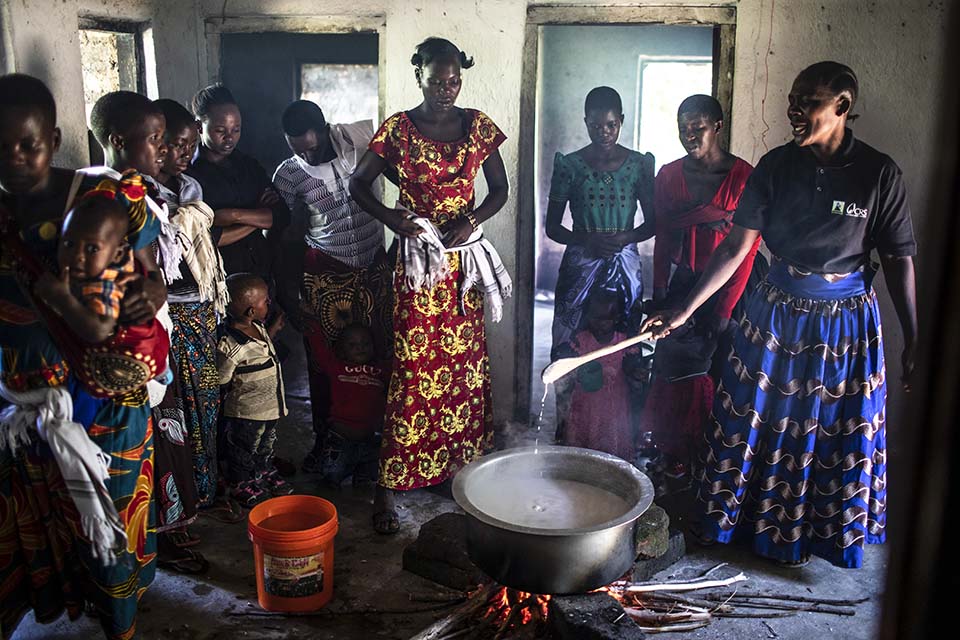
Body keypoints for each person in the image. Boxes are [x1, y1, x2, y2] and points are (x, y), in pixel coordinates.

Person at [642, 62, 918, 569]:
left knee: (833, 430)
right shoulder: (775, 167)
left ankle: (817, 540)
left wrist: (916, 340)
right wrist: (683, 310)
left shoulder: (879, 174)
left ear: (843, 104)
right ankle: (741, 528)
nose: (794, 109)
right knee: (750, 420)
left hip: (845, 328)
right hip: (775, 315)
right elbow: (734, 248)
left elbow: (900, 259)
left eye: (808, 99)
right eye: (792, 98)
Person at [0, 74, 163, 639]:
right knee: (42, 527)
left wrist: (155, 291)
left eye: (29, 144)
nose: (14, 159)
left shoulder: (102, 198)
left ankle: (122, 627)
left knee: (109, 527)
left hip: (107, 398)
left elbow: (153, 272)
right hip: (24, 410)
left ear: (55, 136)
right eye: (0, 147)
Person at [351, 37, 510, 534]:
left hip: (462, 266)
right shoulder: (398, 129)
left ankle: (447, 470)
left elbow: (499, 190)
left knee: (463, 369)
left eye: (454, 80)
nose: (447, 89)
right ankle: (390, 484)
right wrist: (394, 221)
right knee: (414, 369)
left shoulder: (478, 125)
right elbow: (358, 186)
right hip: (419, 266)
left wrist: (473, 219)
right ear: (418, 73)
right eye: (437, 80)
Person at [641, 95, 760, 477]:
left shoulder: (744, 178)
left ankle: (720, 461)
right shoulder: (669, 177)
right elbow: (662, 238)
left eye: (698, 127)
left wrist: (725, 310)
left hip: (736, 285)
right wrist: (660, 291)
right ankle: (675, 453)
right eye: (683, 128)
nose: (689, 135)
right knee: (676, 370)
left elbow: (746, 250)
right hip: (684, 281)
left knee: (726, 368)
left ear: (718, 127)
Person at [272, 99, 393, 473]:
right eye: (298, 148)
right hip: (326, 271)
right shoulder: (288, 175)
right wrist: (288, 292)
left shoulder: (356, 140)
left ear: (326, 130)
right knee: (326, 361)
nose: (307, 154)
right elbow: (288, 235)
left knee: (375, 353)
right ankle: (327, 443)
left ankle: (376, 441)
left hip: (373, 266)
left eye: (313, 145)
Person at [545, 86, 655, 441]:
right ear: (586, 123)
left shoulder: (639, 164)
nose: (603, 132)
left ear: (621, 121)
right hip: (581, 261)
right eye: (596, 126)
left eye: (610, 125)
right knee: (569, 336)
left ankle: (624, 424)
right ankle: (568, 421)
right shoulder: (570, 165)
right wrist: (587, 240)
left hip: (625, 262)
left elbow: (652, 223)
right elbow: (552, 227)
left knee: (626, 338)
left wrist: (623, 238)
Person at [148, 97, 227, 566]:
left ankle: (198, 496)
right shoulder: (141, 198)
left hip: (199, 310)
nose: (182, 154)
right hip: (168, 319)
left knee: (205, 406)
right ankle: (172, 521)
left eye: (188, 146)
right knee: (174, 420)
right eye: (174, 145)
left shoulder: (189, 186)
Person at [186, 84, 289, 281]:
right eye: (220, 130)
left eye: (236, 130)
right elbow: (207, 238)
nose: (229, 138)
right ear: (199, 126)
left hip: (260, 271)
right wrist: (257, 214)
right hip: (219, 280)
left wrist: (233, 215)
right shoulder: (189, 175)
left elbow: (281, 216)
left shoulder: (249, 166)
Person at [217, 274, 290, 507]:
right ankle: (240, 482)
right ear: (250, 311)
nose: (269, 303)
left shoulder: (258, 327)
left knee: (266, 444)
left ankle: (263, 471)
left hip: (270, 408)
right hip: (247, 413)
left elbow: (263, 348)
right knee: (243, 449)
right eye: (265, 301)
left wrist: (274, 329)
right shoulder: (232, 346)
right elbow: (221, 378)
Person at [554, 289, 644, 460]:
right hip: (584, 402)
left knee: (610, 439)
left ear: (616, 318)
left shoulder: (623, 341)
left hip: (613, 403)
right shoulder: (580, 340)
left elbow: (631, 364)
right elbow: (568, 365)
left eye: (606, 320)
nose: (600, 324)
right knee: (582, 440)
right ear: (588, 317)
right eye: (595, 318)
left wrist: (636, 372)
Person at [310, 323, 391, 487]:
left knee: (370, 477)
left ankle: (362, 473)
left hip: (370, 440)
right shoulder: (336, 366)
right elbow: (319, 350)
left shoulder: (381, 369)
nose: (360, 348)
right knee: (330, 478)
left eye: (365, 344)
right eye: (352, 345)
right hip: (341, 441)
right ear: (341, 350)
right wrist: (313, 328)